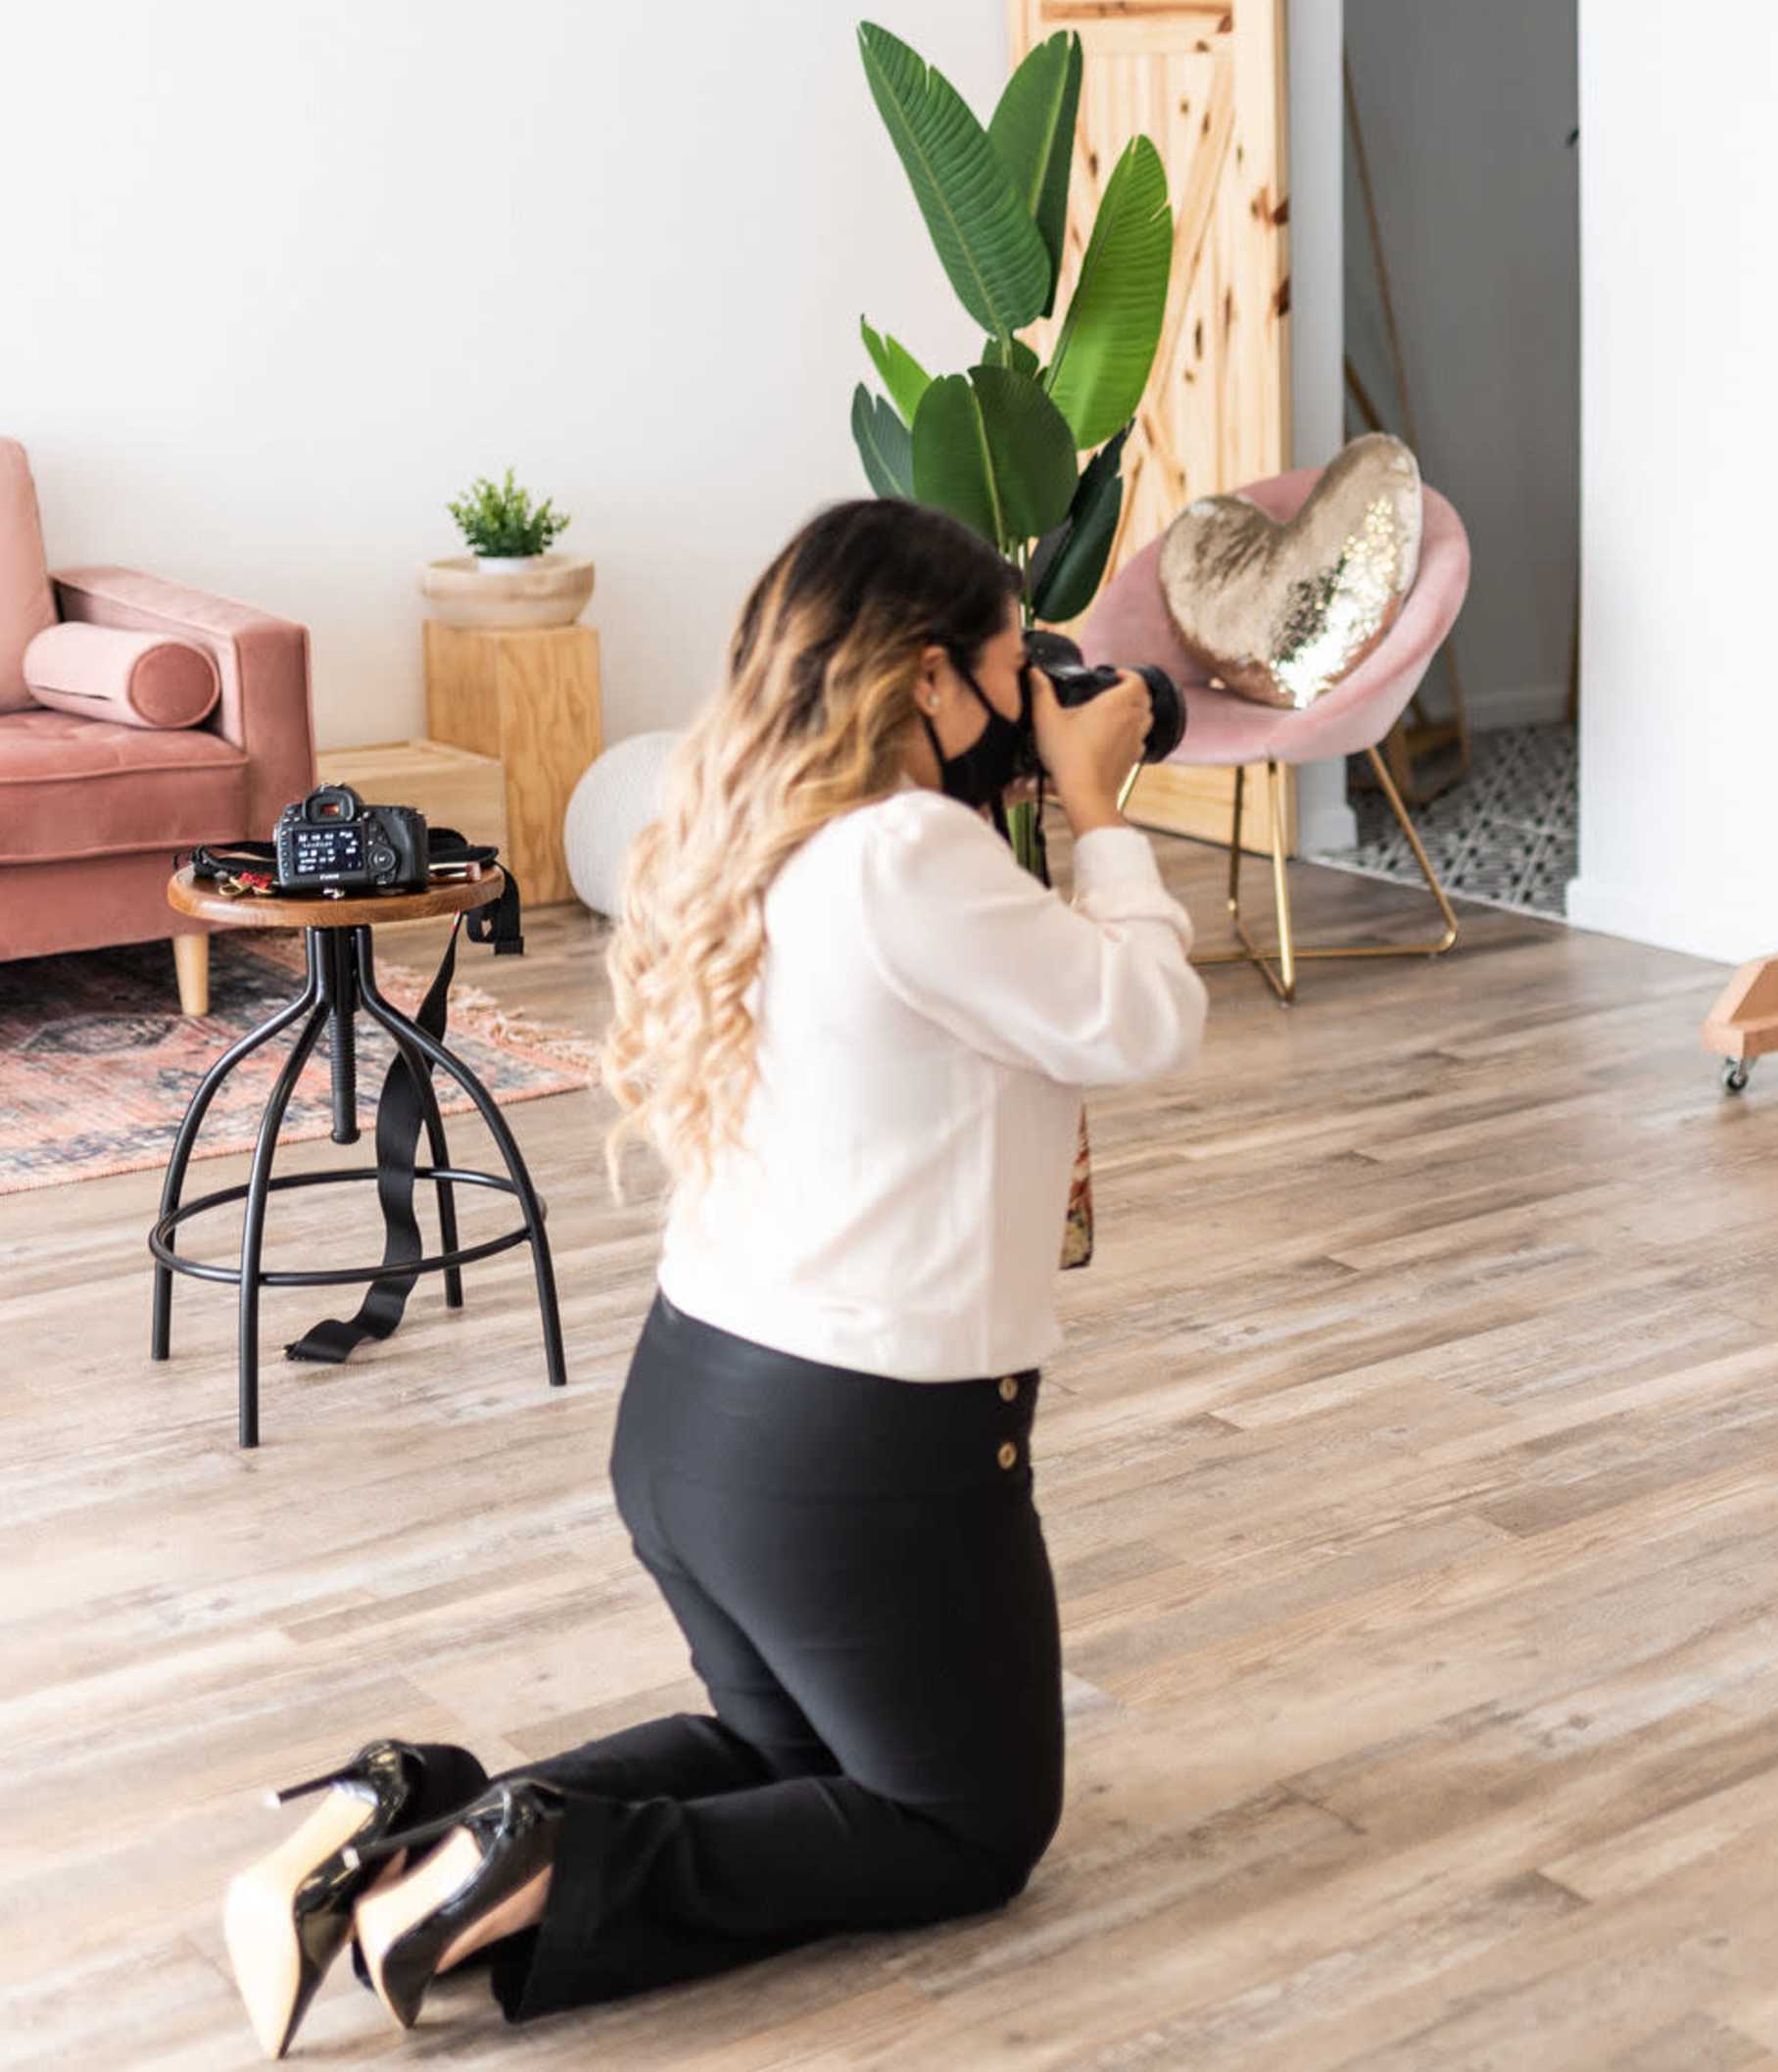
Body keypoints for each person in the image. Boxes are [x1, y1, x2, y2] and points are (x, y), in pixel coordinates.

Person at [215, 499, 1203, 2055]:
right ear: (931, 681)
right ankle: (516, 1870)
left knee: (783, 1749)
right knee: (963, 1823)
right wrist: (1103, 808)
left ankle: (402, 1828)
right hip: (864, 1453)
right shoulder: (911, 853)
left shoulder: (751, 830)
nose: (1033, 696)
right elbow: (1148, 1018)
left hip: (697, 1424)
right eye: (1017, 665)